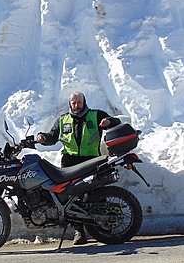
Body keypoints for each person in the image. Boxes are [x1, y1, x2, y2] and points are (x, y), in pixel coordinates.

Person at [35, 91, 121, 245]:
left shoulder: (96, 115)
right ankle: (79, 232)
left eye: (79, 102)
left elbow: (116, 122)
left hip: (91, 160)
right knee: (72, 198)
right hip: (70, 163)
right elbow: (52, 137)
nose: (76, 105)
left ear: (84, 102)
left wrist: (109, 122)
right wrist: (43, 137)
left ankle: (105, 227)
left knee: (97, 192)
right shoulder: (63, 120)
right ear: (70, 104)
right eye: (73, 102)